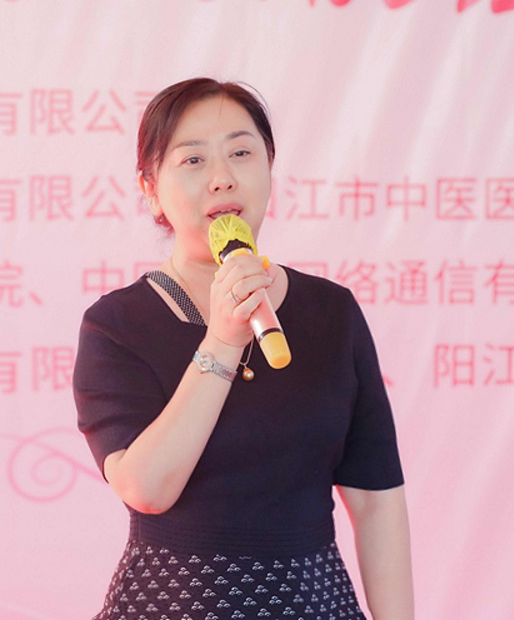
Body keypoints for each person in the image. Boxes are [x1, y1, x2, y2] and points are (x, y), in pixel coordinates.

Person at [73, 78, 413, 620]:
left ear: (269, 168)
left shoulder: (332, 312)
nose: (222, 178)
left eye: (241, 153)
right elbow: (147, 488)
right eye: (193, 160)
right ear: (150, 188)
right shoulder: (116, 325)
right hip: (170, 604)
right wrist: (223, 339)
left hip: (314, 603)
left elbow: (376, 500)